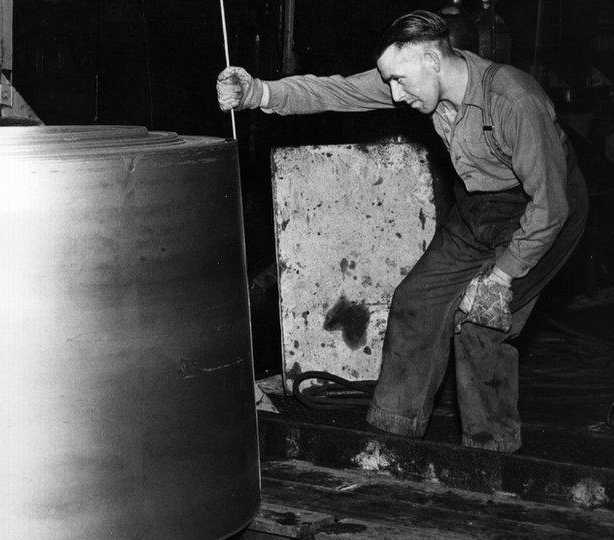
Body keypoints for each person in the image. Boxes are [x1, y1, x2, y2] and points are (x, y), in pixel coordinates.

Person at [217, 10, 588, 453]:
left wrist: (502, 277)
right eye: (389, 81)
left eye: (400, 81)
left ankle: (490, 454)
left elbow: (551, 205)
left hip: (542, 210)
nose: (395, 93)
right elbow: (337, 89)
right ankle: (391, 440)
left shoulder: (514, 100)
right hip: (480, 208)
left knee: (480, 323)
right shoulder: (411, 77)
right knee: (417, 302)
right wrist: (257, 92)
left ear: (433, 60)